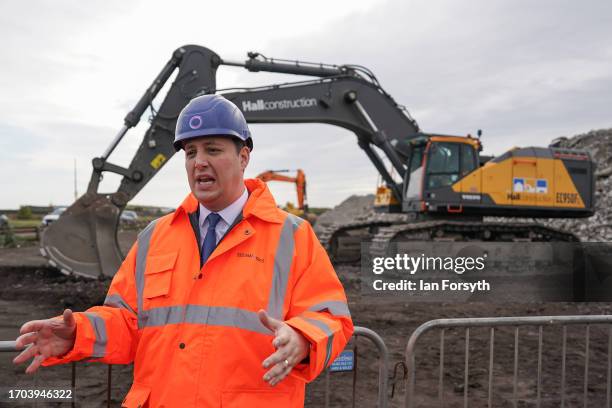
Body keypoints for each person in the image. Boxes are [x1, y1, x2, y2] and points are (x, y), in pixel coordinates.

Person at [13, 94, 354, 407]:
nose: (199, 162)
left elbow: (332, 318)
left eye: (213, 149)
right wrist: (78, 334)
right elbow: (126, 321)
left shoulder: (292, 237)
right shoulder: (155, 237)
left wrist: (302, 338)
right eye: (190, 153)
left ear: (244, 156)